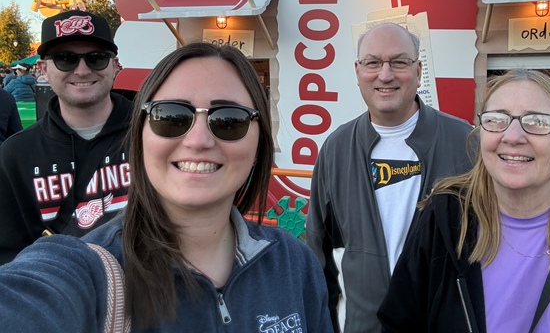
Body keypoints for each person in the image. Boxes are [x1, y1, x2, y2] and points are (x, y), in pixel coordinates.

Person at [0, 42, 332, 332]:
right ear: (140, 136)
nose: (198, 140)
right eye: (171, 116)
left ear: (259, 142)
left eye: (229, 120)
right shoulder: (89, 270)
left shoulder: (293, 263)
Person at [378, 69, 550, 332]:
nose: (512, 136)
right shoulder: (445, 218)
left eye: (537, 121)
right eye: (496, 119)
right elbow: (399, 322)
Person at [307, 22, 474, 332]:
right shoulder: (336, 149)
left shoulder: (465, 142)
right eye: (373, 63)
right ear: (358, 71)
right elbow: (319, 251)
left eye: (399, 62)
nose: (385, 75)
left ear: (418, 70)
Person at [0, 10, 132, 264]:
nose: (82, 71)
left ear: (114, 65)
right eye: (65, 59)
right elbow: (9, 258)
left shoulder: (154, 134)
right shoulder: (14, 156)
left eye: (96, 58)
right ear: (43, 69)